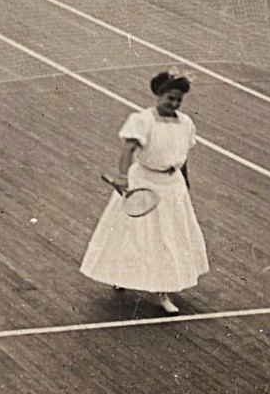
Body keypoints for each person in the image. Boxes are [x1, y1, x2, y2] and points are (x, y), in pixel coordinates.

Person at [79, 70, 209, 314]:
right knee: (132, 236)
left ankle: (162, 291)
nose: (174, 103)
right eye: (170, 98)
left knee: (168, 238)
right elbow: (128, 149)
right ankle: (121, 275)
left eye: (179, 100)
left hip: (173, 188)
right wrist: (122, 177)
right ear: (159, 95)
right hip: (144, 183)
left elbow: (183, 156)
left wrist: (185, 181)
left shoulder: (186, 123)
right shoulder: (142, 120)